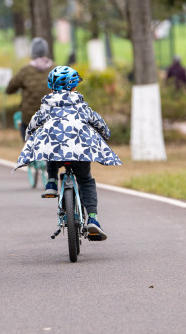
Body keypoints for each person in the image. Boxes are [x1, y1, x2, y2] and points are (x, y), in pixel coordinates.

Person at [16, 66, 121, 241]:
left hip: (57, 152)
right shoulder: (81, 105)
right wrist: (106, 134)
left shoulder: (47, 105)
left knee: (50, 147)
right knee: (85, 180)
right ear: (74, 87)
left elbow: (34, 123)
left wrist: (28, 137)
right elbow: (98, 122)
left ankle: (51, 181)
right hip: (79, 150)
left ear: (51, 87)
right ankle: (93, 218)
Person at [5, 38, 54, 140]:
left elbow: (9, 89)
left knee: (28, 146)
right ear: (46, 51)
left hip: (29, 119)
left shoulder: (25, 71)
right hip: (53, 119)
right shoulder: (56, 69)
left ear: (32, 53)